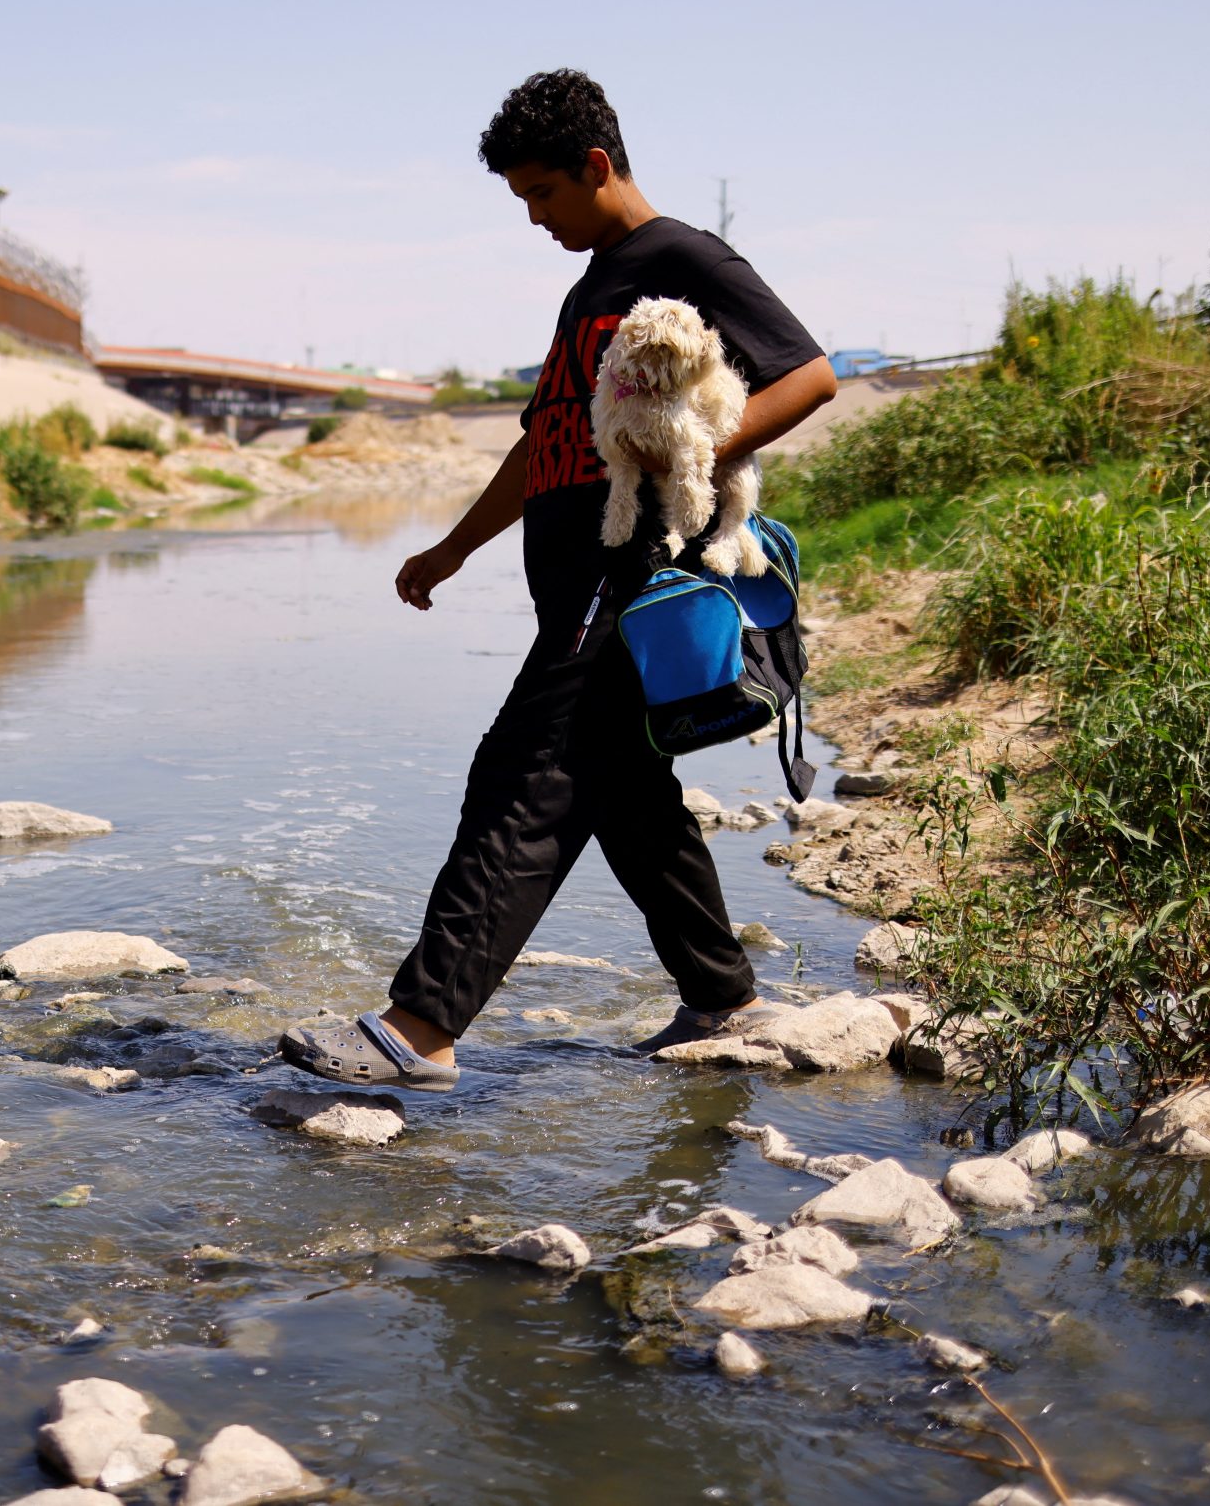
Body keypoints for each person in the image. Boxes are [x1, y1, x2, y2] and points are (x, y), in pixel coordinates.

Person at [279, 69, 837, 1092]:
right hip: (572, 576)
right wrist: (451, 548)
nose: (533, 218)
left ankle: (418, 1028)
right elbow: (549, 442)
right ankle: (725, 998)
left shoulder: (679, 257)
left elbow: (810, 374)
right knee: (626, 791)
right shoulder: (593, 284)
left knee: (523, 777)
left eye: (541, 194)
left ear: (595, 165)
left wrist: (694, 459)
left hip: (626, 574)